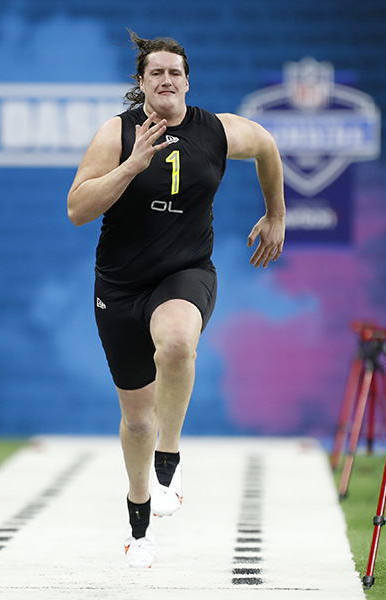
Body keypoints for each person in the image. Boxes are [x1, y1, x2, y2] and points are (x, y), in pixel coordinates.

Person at [67, 30, 285, 569]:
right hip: (119, 287)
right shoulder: (116, 135)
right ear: (140, 84)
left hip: (186, 273)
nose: (166, 80)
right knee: (135, 419)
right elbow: (77, 208)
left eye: (174, 72)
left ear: (187, 81)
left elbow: (266, 145)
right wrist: (131, 166)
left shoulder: (215, 131)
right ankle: (139, 523)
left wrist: (276, 214)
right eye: (155, 72)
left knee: (178, 343)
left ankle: (172, 456)